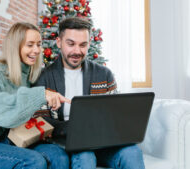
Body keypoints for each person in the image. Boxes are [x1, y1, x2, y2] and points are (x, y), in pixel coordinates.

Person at [34, 17, 145, 169]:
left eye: (83, 45)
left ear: (89, 44)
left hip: (103, 143)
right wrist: (72, 128)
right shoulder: (44, 77)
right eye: (71, 44)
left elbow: (116, 113)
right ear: (59, 43)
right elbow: (39, 120)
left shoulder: (104, 75)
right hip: (65, 143)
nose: (77, 51)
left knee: (132, 152)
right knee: (85, 155)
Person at [0, 22, 71, 169]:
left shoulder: (31, 74)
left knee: (58, 155)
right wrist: (39, 95)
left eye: (38, 44)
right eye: (30, 45)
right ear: (15, 46)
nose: (36, 50)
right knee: (34, 161)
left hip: (14, 141)